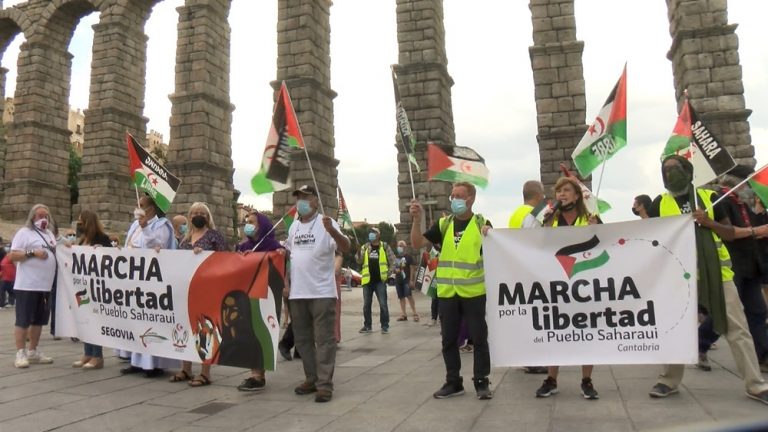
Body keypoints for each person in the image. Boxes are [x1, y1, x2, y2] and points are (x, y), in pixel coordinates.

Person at [647, 155, 768, 405]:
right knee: (675, 328)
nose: (670, 174)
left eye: (675, 169)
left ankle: (755, 384)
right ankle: (668, 380)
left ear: (688, 172)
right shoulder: (659, 204)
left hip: (718, 275)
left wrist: (708, 222)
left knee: (738, 329)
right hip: (677, 277)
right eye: (665, 170)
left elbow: (731, 234)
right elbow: (651, 240)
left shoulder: (711, 198)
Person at [410, 181, 493, 400]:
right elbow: (417, 243)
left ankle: (482, 381)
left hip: (474, 292)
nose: (454, 199)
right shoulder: (444, 224)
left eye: (459, 195)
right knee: (448, 340)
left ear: (471, 199)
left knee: (479, 338)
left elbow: (497, 252)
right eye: (452, 196)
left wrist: (490, 234)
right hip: (447, 293)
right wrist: (417, 221)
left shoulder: (481, 223)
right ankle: (453, 382)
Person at [536, 177, 600, 400]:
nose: (561, 194)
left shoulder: (589, 218)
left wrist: (597, 229)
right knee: (556, 332)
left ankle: (586, 380)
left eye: (566, 190)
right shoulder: (550, 219)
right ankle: (552, 379)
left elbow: (605, 246)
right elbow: (540, 248)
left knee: (586, 333)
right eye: (558, 191)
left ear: (576, 195)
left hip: (585, 285)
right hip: (558, 286)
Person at [286, 185, 351, 403]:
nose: (301, 201)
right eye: (298, 198)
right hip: (298, 293)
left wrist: (332, 231)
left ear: (315, 200)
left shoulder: (327, 222)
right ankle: (311, 378)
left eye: (305, 197)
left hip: (322, 291)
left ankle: (325, 385)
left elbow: (346, 245)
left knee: (324, 339)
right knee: (303, 340)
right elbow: (288, 255)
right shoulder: (293, 226)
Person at [119, 194, 180, 378]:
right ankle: (136, 361)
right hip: (133, 278)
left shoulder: (162, 225)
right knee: (135, 319)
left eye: (142, 205)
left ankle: (153, 363)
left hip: (152, 280)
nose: (138, 207)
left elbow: (155, 245)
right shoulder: (134, 225)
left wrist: (145, 227)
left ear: (151, 208)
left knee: (150, 321)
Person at [170, 202, 229, 387]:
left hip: (207, 289)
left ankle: (205, 372)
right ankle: (186, 368)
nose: (198, 215)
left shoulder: (214, 236)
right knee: (186, 326)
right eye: (194, 213)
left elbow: (226, 258)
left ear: (207, 216)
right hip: (187, 290)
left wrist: (205, 256)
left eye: (202, 213)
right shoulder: (185, 239)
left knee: (205, 328)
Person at [715, 166, 768, 373]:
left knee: (758, 311)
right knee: (724, 313)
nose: (748, 188)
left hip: (750, 266)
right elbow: (729, 233)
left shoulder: (742, 205)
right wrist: (756, 230)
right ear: (735, 183)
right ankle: (702, 343)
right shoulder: (721, 203)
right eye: (746, 183)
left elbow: (756, 228)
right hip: (734, 265)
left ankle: (763, 355)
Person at [235, 210, 286, 392]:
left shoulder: (273, 247)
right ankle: (254, 372)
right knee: (248, 332)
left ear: (262, 226)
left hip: (265, 297)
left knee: (261, 330)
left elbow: (281, 269)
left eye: (252, 222)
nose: (248, 224)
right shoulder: (243, 247)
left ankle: (258, 374)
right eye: (246, 221)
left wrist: (280, 255)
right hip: (246, 295)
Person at [507, 180, 548, 375]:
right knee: (535, 317)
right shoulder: (533, 215)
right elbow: (536, 243)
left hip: (517, 271)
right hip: (531, 272)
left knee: (524, 317)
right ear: (539, 194)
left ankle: (523, 355)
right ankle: (532, 359)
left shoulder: (515, 214)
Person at [9, 204, 57, 368]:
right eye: (39, 216)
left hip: (45, 286)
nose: (43, 219)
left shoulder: (49, 234)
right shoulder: (24, 233)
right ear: (32, 217)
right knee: (23, 320)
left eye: (46, 216)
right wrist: (32, 253)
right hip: (27, 285)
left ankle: (33, 350)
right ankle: (20, 353)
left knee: (39, 320)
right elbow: (12, 255)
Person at [70, 210, 113, 370]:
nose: (79, 224)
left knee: (96, 321)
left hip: (97, 287)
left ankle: (97, 356)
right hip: (82, 287)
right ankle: (87, 352)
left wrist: (101, 250)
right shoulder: (82, 241)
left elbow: (111, 258)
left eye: (81, 221)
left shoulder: (102, 238)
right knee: (85, 320)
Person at [357, 227, 395, 334]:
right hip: (367, 281)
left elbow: (393, 261)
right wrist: (358, 252)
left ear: (378, 235)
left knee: (383, 304)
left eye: (373, 232)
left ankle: (384, 326)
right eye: (370, 232)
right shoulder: (365, 247)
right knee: (366, 305)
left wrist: (387, 274)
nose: (371, 234)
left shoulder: (384, 246)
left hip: (380, 281)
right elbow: (359, 261)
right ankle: (367, 326)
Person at [394, 240, 419, 322]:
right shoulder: (396, 257)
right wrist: (395, 270)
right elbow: (394, 268)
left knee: (409, 296)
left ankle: (415, 313)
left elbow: (412, 268)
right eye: (398, 245)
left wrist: (411, 280)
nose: (399, 247)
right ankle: (404, 314)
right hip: (398, 280)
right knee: (401, 297)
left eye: (401, 245)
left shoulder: (409, 257)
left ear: (405, 247)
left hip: (406, 279)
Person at [0, 244, 16, 308]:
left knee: (4, 290)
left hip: (9, 277)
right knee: (6, 290)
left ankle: (4, 303)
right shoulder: (5, 258)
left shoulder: (11, 257)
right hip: (4, 277)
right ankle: (5, 303)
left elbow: (16, 265)